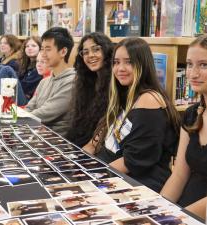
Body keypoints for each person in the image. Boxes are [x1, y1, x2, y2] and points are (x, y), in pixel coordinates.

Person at [84, 38, 180, 193]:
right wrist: (79, 164)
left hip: (134, 184)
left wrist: (89, 177)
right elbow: (96, 141)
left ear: (143, 64)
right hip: (109, 174)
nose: (120, 68)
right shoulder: (124, 95)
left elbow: (132, 161)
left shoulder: (149, 100)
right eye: (116, 62)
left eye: (128, 62)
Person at [160, 35, 207, 207]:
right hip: (183, 209)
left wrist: (182, 217)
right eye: (189, 64)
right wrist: (159, 210)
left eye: (204, 65)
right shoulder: (191, 114)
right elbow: (179, 174)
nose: (193, 73)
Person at [25, 27, 75, 137]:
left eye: (48, 49)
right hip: (35, 135)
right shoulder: (44, 82)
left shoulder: (72, 81)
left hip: (56, 142)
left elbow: (45, 113)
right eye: (42, 49)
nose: (42, 54)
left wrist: (19, 120)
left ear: (63, 51)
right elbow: (29, 108)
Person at [66, 32, 113, 147]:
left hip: (100, 148)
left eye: (96, 49)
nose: (90, 55)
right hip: (81, 145)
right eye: (85, 52)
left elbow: (107, 127)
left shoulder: (115, 83)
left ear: (106, 51)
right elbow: (78, 124)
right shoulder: (85, 82)